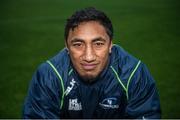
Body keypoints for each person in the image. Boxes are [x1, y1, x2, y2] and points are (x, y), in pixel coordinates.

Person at [23, 7, 161, 119]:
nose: (89, 57)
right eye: (78, 44)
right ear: (66, 46)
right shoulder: (49, 76)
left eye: (98, 43)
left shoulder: (133, 74)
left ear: (110, 44)